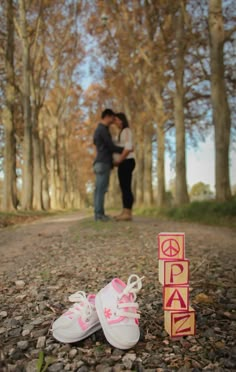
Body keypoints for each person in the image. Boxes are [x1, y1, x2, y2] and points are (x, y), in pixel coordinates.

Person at [93, 109, 123, 221]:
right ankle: (99, 215)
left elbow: (95, 142)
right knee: (101, 189)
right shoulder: (103, 130)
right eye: (112, 118)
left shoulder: (99, 130)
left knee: (99, 190)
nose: (113, 120)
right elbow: (110, 146)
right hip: (103, 162)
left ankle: (98, 214)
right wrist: (125, 150)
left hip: (99, 162)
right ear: (107, 116)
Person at [113, 113, 135, 221]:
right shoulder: (122, 133)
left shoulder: (126, 131)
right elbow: (131, 147)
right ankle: (125, 211)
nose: (115, 122)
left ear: (121, 120)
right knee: (124, 187)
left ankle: (128, 213)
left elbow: (128, 148)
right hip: (125, 161)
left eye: (116, 120)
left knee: (126, 187)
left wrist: (119, 161)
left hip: (126, 162)